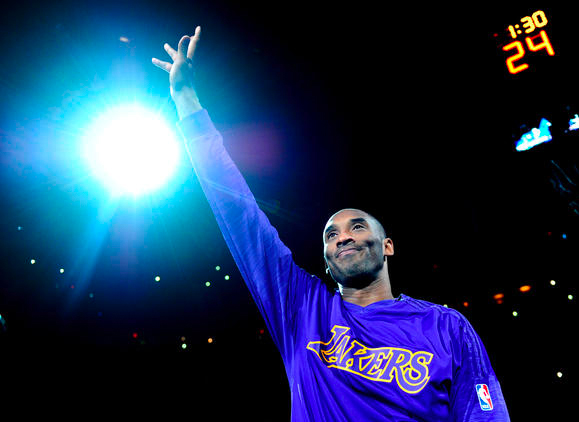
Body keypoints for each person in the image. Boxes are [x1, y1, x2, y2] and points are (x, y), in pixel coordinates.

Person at [152, 26, 510, 421]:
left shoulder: (447, 327)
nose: (343, 237)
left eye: (357, 226)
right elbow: (238, 213)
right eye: (331, 235)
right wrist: (186, 101)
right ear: (325, 260)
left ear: (387, 245)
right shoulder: (302, 309)